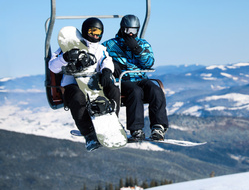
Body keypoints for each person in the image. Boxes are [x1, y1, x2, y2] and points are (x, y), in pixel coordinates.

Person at [48, 17, 119, 152]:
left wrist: (106, 71)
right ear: (85, 31)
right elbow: (53, 67)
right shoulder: (67, 47)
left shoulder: (100, 49)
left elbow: (107, 60)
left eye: (98, 32)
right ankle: (89, 134)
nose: (95, 35)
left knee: (114, 90)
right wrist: (65, 58)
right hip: (73, 84)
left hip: (94, 83)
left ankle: (112, 123)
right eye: (92, 32)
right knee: (77, 97)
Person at [103, 14, 169, 141]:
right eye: (128, 30)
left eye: (134, 31)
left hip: (140, 78)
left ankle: (158, 127)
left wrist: (137, 49)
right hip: (123, 80)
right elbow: (101, 60)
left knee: (156, 90)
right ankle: (136, 129)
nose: (131, 34)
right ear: (122, 29)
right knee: (135, 91)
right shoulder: (110, 45)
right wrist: (111, 65)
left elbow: (149, 63)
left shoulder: (143, 44)